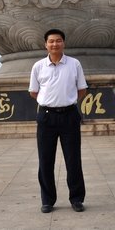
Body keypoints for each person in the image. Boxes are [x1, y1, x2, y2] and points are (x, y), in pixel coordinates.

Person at [29, 29, 87, 214]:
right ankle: (47, 200)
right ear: (45, 44)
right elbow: (34, 92)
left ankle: (76, 199)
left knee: (73, 159)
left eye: (58, 40)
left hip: (69, 115)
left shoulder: (74, 64)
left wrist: (67, 101)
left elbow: (82, 89)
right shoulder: (38, 66)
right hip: (46, 116)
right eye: (51, 41)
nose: (55, 44)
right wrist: (50, 102)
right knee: (45, 160)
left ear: (64, 43)